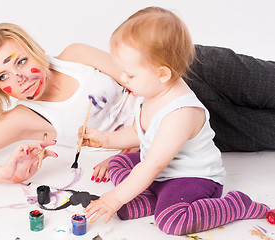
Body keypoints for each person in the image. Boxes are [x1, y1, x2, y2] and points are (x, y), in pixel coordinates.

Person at [82, 6, 270, 235]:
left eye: (130, 75)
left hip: (190, 177)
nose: (122, 79)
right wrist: (105, 139)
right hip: (159, 169)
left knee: (171, 221)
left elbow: (153, 164)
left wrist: (116, 197)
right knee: (116, 163)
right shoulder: (152, 92)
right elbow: (139, 132)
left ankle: (236, 205)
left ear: (162, 74)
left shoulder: (180, 113)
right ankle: (150, 198)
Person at [0, 23, 138, 183]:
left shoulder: (75, 56)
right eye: (4, 77)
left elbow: (141, 79)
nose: (20, 78)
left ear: (35, 49)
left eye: (21, 62)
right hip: (145, 152)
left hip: (161, 113)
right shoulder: (23, 119)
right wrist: (3, 174)